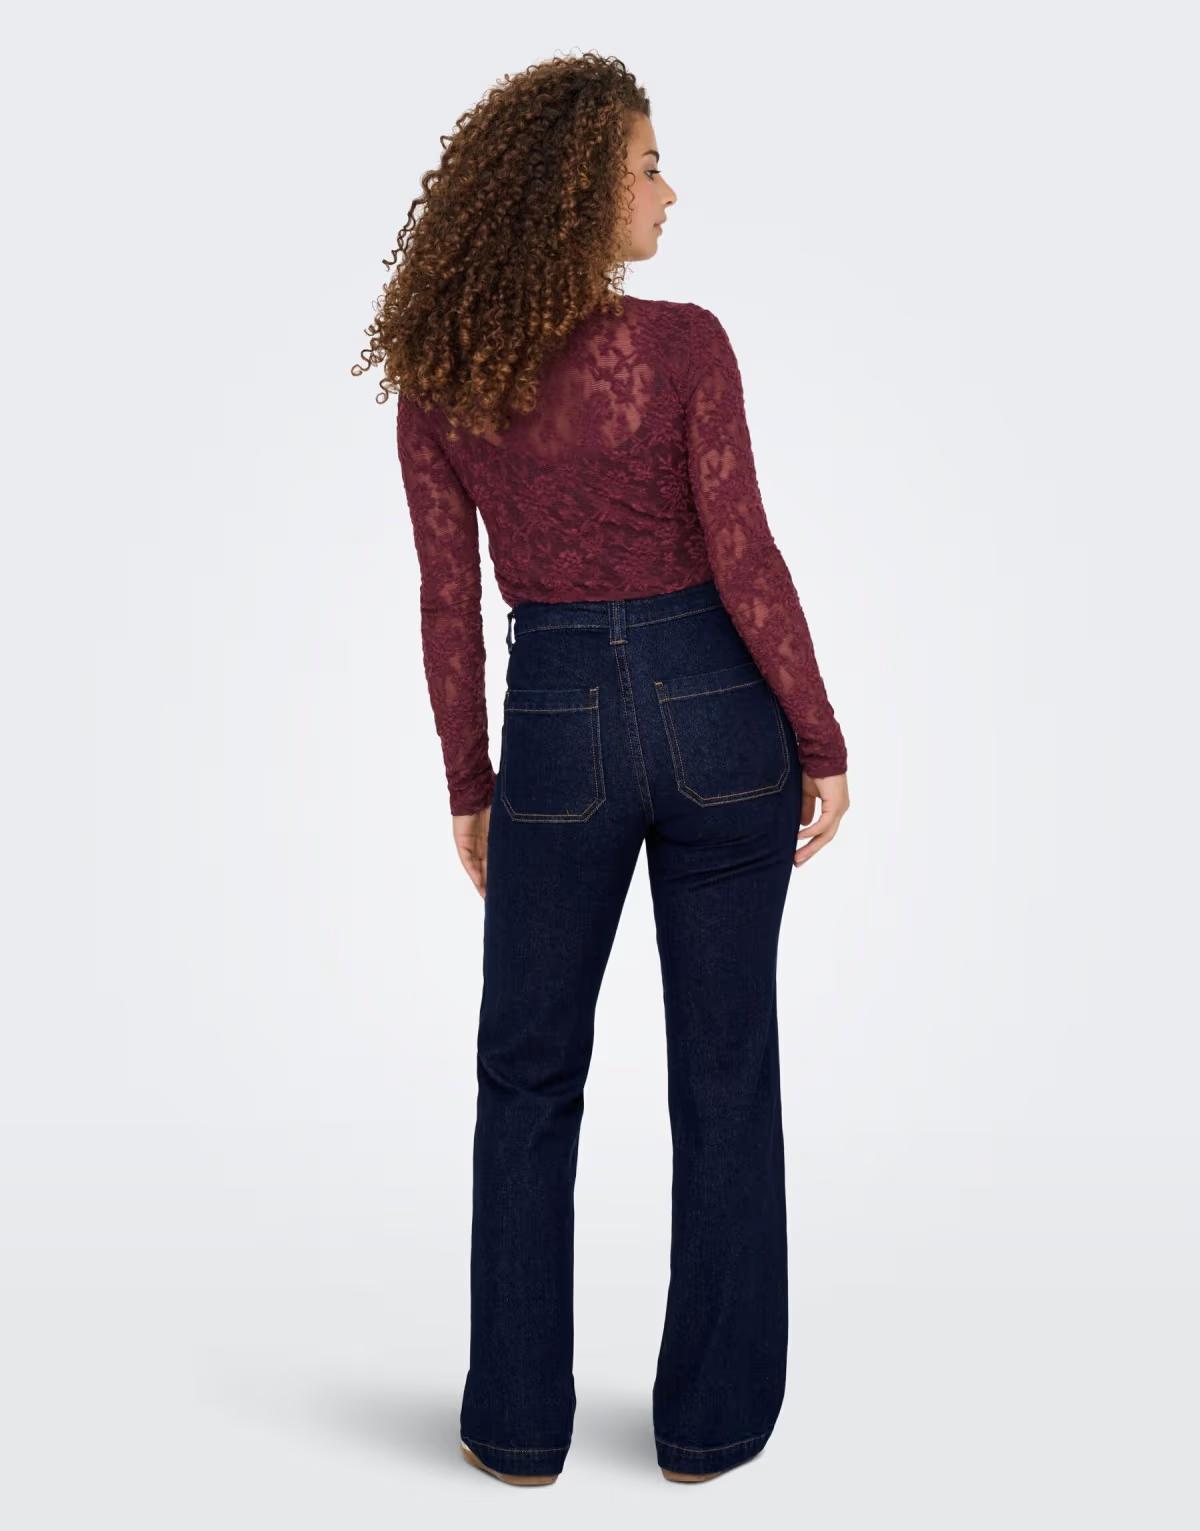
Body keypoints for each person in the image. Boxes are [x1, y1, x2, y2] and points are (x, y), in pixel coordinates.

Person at [354, 51, 850, 1487]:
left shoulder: (444, 380)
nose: (668, 191)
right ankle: (710, 1428)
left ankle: (517, 1426)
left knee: (526, 1073)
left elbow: (449, 604)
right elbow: (743, 554)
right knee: (726, 1073)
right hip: (720, 718)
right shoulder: (686, 349)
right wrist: (819, 736)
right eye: (647, 165)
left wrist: (471, 781)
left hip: (557, 726)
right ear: (580, 189)